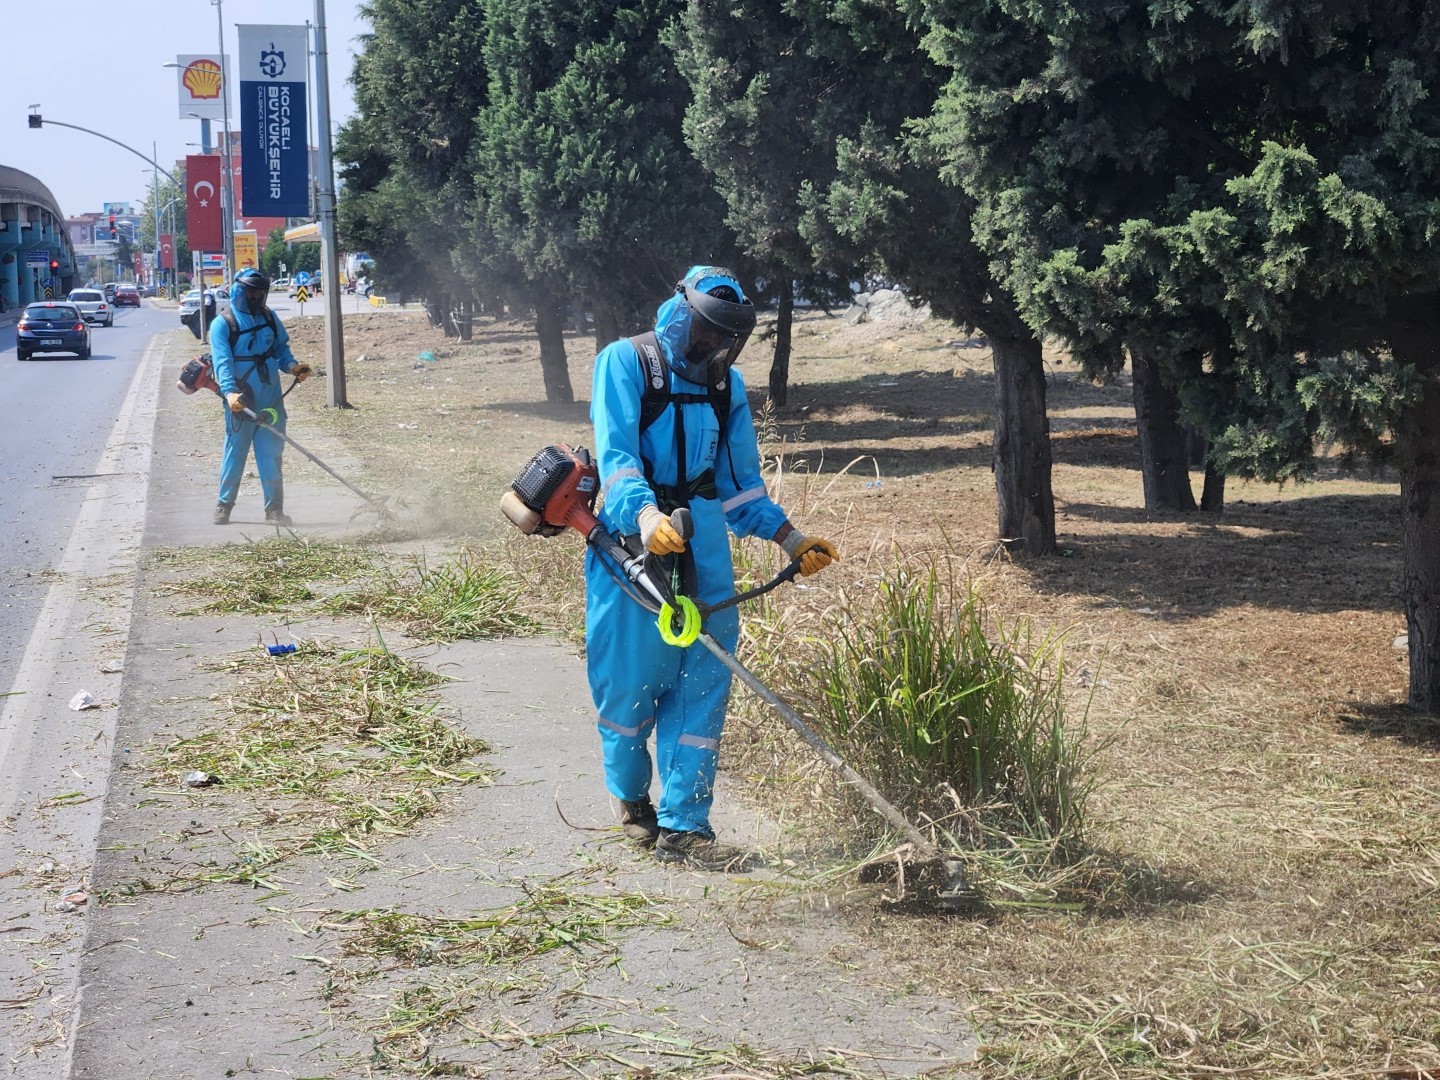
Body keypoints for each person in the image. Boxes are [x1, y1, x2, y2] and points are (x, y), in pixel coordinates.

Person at [585, 265, 838, 869]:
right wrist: (645, 517)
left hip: (705, 551)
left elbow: (740, 488)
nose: (713, 347)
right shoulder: (625, 362)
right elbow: (618, 457)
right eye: (705, 332)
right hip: (633, 549)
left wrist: (789, 537)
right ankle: (631, 797)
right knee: (627, 690)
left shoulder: (727, 386)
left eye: (726, 338)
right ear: (681, 315)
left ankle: (685, 825)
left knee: (702, 687)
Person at [210, 268, 311, 525]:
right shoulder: (223, 324)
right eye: (250, 291)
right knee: (235, 453)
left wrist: (292, 367)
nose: (255, 296)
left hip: (271, 401)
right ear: (239, 290)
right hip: (241, 402)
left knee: (271, 455)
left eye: (259, 292)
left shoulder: (269, 317)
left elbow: (281, 350)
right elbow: (222, 363)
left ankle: (274, 510)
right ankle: (224, 506)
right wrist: (230, 393)